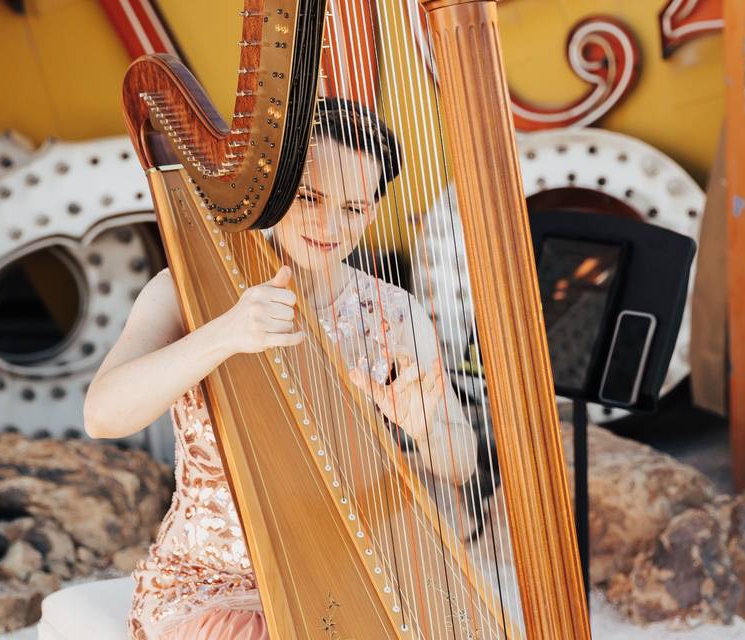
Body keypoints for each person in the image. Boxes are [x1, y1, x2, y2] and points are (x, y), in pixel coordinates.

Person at [82, 98, 478, 640]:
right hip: (211, 582)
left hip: (346, 567)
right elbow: (102, 416)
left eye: (355, 208)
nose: (330, 225)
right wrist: (225, 332)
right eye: (311, 198)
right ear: (270, 194)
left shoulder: (392, 312)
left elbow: (461, 462)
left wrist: (424, 425)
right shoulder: (184, 291)